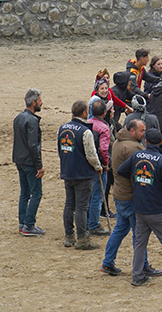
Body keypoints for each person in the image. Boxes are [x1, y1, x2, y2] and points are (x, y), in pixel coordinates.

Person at [117, 129, 162, 286]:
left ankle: (137, 276)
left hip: (140, 207)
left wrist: (136, 180)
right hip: (157, 209)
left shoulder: (136, 156)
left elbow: (121, 170)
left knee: (140, 243)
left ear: (146, 142)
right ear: (161, 142)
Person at [101, 119, 162, 278]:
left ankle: (108, 262)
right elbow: (138, 175)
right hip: (130, 196)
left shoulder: (118, 142)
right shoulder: (134, 148)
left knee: (120, 229)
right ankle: (143, 265)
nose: (144, 134)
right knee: (139, 234)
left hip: (119, 195)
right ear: (132, 131)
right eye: (141, 131)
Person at [58, 100, 103, 250]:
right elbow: (91, 154)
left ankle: (69, 236)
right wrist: (98, 166)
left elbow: (60, 149)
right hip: (82, 174)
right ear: (84, 113)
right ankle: (82, 238)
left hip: (67, 171)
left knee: (69, 204)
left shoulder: (62, 128)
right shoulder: (85, 131)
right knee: (82, 207)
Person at [13, 89, 45, 236]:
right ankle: (29, 224)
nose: (41, 102)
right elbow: (33, 146)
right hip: (29, 162)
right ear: (33, 103)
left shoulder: (18, 117)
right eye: (39, 100)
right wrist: (39, 165)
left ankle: (23, 223)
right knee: (36, 193)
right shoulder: (31, 120)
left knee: (24, 192)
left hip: (19, 160)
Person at [86, 99, 112, 236]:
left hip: (86, 165)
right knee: (97, 196)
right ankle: (94, 224)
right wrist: (106, 164)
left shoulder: (87, 124)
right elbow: (103, 149)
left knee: (88, 195)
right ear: (104, 113)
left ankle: (86, 221)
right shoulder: (103, 128)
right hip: (99, 167)